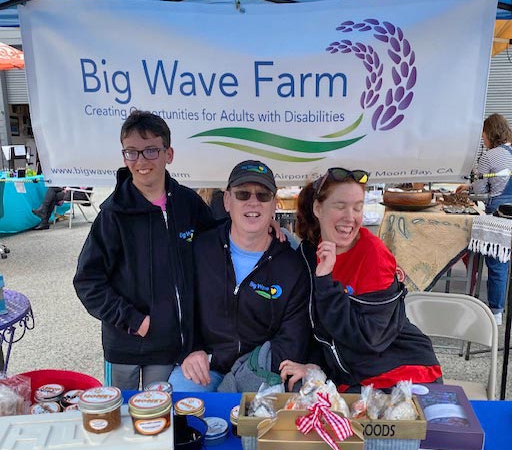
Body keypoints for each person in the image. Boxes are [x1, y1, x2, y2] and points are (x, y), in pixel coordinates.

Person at [73, 110, 216, 389]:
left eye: (151, 151)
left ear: (168, 153)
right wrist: (133, 320)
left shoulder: (188, 204)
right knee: (122, 417)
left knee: (159, 418)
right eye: (132, 152)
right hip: (125, 345)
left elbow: (220, 245)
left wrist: (268, 228)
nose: (140, 161)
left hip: (169, 346)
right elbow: (87, 281)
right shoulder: (112, 214)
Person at [280, 168, 442, 393]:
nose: (351, 217)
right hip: (352, 378)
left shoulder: (373, 254)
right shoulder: (308, 253)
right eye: (340, 206)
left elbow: (368, 339)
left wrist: (326, 282)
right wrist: (313, 365)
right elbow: (314, 325)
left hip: (404, 373)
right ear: (318, 209)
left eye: (357, 207)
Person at [170, 160, 310, 393]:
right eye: (243, 194)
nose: (253, 202)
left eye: (263, 195)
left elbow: (293, 339)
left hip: (259, 372)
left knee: (258, 425)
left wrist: (244, 376)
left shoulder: (292, 266)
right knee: (179, 408)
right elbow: (179, 308)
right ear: (227, 201)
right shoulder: (200, 249)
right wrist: (190, 350)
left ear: (274, 204)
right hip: (205, 367)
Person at [457, 113, 512, 326]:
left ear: (490, 134)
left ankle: (495, 312)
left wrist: (470, 186)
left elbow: (481, 191)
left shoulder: (490, 156)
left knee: (497, 262)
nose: (483, 141)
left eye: (483, 137)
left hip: (501, 215)